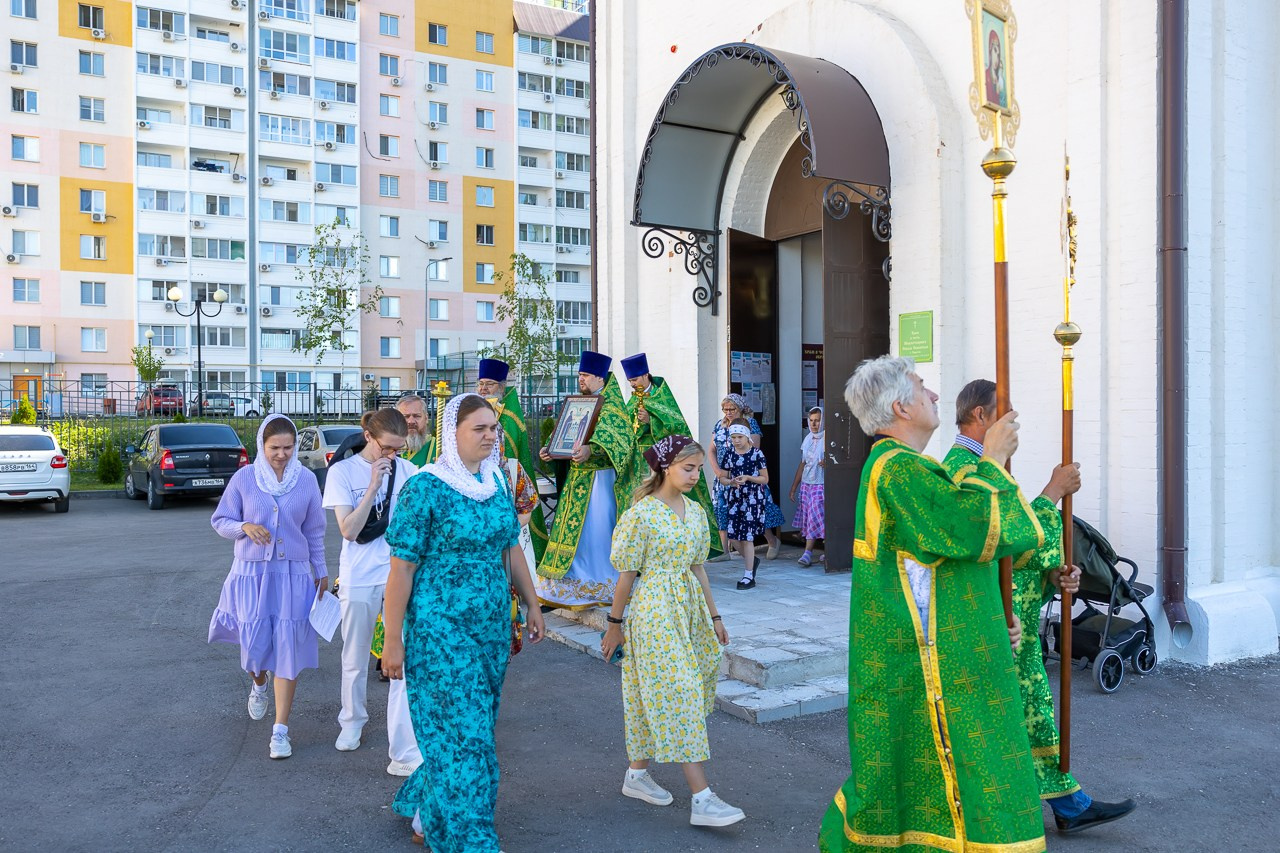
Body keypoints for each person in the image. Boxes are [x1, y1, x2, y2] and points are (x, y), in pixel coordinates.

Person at [818, 355, 1044, 853]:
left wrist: (990, 619)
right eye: (923, 388)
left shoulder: (904, 466)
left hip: (924, 648)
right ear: (901, 407)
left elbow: (940, 564)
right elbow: (970, 530)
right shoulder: (899, 469)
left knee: (915, 772)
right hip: (921, 662)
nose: (936, 395)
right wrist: (991, 460)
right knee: (942, 766)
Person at [942, 379, 1137, 835]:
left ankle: (1065, 802)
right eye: (1007, 414)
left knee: (1021, 710)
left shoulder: (978, 465)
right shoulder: (965, 469)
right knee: (1011, 712)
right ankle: (1046, 806)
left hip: (1004, 614)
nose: (1015, 424)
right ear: (981, 416)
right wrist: (1052, 492)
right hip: (989, 619)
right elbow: (1005, 538)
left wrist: (1051, 576)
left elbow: (1011, 551)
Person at [380, 393, 546, 852]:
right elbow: (402, 569)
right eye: (480, 429)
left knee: (472, 728)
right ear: (452, 433)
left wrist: (532, 603)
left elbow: (510, 546)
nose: (491, 436)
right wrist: (392, 640)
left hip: (490, 629)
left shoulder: (496, 481)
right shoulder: (425, 488)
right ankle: (471, 840)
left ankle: (427, 812)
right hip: (439, 630)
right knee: (468, 736)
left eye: (494, 428)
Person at [601, 435, 743, 828]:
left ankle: (636, 775)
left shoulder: (695, 511)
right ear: (665, 467)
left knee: (653, 693)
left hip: (689, 609)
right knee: (680, 691)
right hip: (654, 610)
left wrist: (715, 617)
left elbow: (699, 568)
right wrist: (614, 626)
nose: (695, 475)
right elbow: (626, 575)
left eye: (698, 469)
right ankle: (702, 798)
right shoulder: (642, 514)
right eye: (688, 468)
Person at [208, 414, 327, 760]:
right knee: (253, 646)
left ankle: (281, 731)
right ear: (262, 445)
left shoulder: (306, 480)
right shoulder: (245, 478)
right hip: (251, 573)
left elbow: (314, 530)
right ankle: (258, 683)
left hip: (293, 574)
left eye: (288, 448)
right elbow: (220, 520)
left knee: (288, 650)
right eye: (275, 447)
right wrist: (244, 527)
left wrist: (320, 570)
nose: (282, 454)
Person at [322, 408, 422, 777]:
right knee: (355, 652)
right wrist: (373, 487)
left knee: (402, 653)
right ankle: (352, 721)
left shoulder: (409, 472)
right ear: (369, 437)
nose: (392, 455)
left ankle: (404, 737)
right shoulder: (343, 472)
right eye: (386, 448)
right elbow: (349, 530)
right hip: (360, 574)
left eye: (399, 449)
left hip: (400, 573)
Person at [536, 350, 636, 608]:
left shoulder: (612, 407)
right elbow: (564, 434)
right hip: (577, 480)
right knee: (572, 535)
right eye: (579, 375)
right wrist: (550, 450)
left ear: (600, 378)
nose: (580, 379)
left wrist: (593, 450)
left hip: (601, 482)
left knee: (595, 531)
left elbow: (621, 443)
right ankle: (568, 582)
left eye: (586, 375)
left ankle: (599, 582)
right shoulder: (579, 403)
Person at [619, 352, 722, 558]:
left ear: (646, 375)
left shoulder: (662, 396)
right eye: (630, 381)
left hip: (662, 462)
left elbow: (678, 429)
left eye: (635, 379)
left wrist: (651, 422)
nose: (632, 384)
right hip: (637, 462)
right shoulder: (633, 400)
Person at [477, 357, 549, 566]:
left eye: (489, 384)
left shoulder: (508, 414)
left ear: (501, 386)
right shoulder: (477, 409)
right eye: (480, 383)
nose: (483, 389)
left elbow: (507, 452)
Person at [707, 394, 780, 561]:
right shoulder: (719, 425)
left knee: (754, 512)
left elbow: (754, 449)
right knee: (723, 510)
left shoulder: (749, 423)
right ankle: (724, 550)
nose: (728, 412)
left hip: (746, 477)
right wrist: (718, 471)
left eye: (732, 409)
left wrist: (743, 474)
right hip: (724, 477)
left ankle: (772, 541)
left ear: (740, 408)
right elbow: (711, 449)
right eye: (725, 409)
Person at [719, 420, 770, 590]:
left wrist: (748, 477)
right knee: (733, 536)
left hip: (752, 499)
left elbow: (765, 478)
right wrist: (731, 482)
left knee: (747, 537)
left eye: (739, 437)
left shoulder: (757, 454)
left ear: (747, 436)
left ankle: (748, 575)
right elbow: (722, 477)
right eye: (733, 437)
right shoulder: (729, 454)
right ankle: (751, 560)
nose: (736, 441)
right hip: (735, 499)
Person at [788, 407, 826, 567]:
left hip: (821, 482)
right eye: (811, 420)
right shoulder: (808, 439)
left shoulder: (828, 439)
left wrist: (827, 463)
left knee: (817, 516)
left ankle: (808, 552)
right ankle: (814, 551)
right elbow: (802, 464)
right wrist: (794, 487)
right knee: (810, 517)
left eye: (817, 420)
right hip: (807, 483)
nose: (814, 424)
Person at [396, 394, 431, 466]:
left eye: (417, 416)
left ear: (426, 418)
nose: (411, 421)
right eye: (406, 417)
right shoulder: (388, 449)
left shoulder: (438, 448)